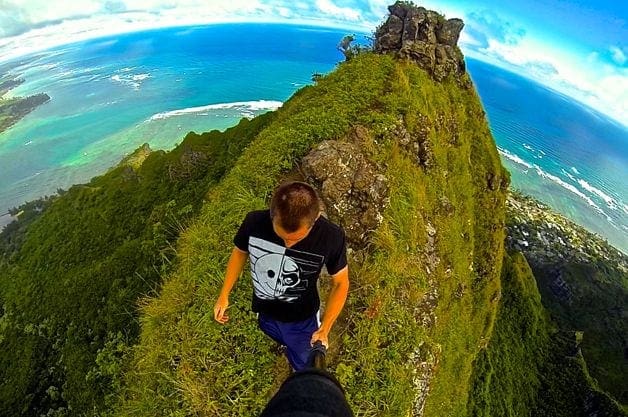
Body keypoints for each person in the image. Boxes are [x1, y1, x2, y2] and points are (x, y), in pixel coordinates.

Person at [214, 181, 349, 371]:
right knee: (272, 331)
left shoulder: (331, 237)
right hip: (265, 312)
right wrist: (224, 294)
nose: (288, 245)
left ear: (315, 219)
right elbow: (240, 251)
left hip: (302, 320)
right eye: (282, 236)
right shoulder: (254, 222)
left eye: (296, 239)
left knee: (305, 363)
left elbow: (341, 283)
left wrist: (325, 328)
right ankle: (287, 346)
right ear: (272, 215)